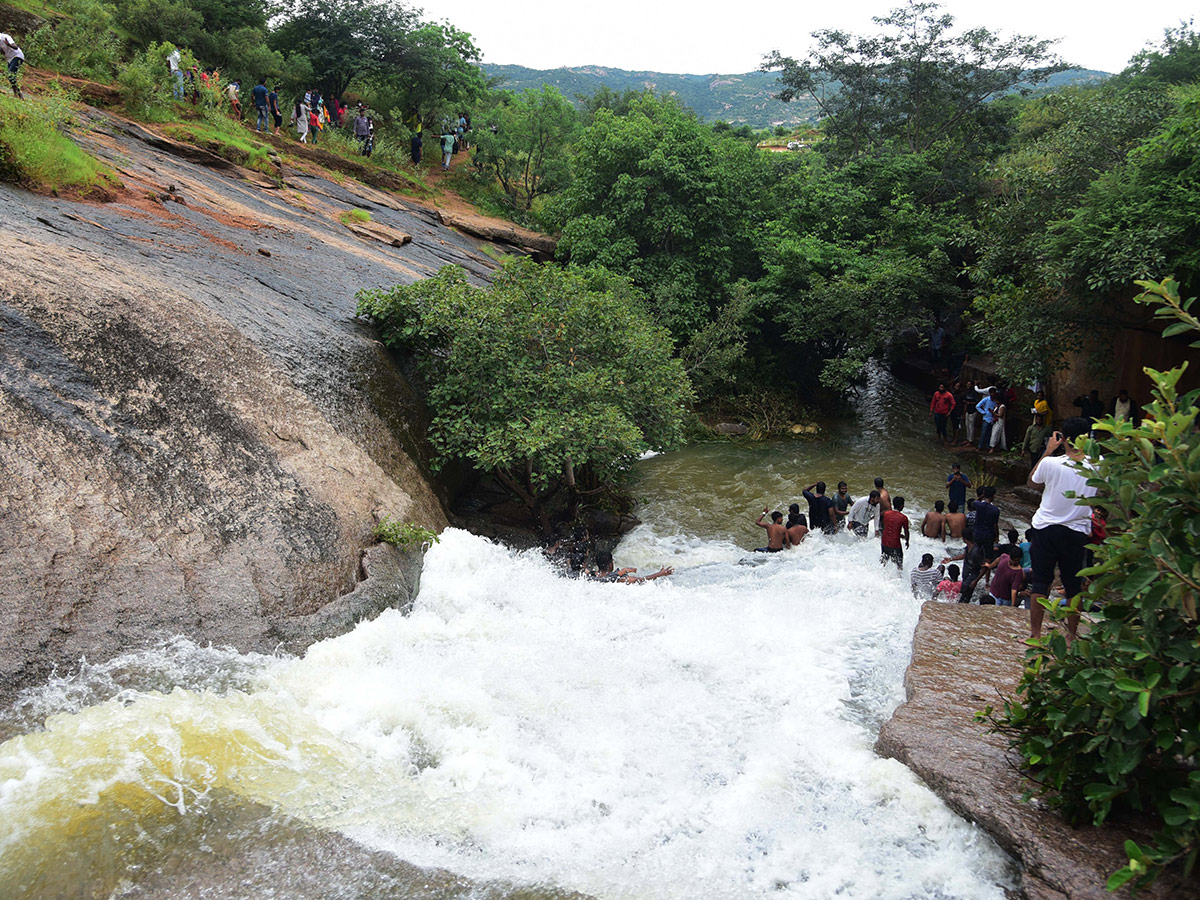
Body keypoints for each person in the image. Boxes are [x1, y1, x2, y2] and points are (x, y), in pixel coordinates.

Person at [1027, 417, 1098, 643]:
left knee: (1040, 581)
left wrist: (1048, 451)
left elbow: (1032, 482)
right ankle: (1070, 635)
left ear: (1063, 439)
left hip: (1046, 527)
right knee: (1073, 585)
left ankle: (1036, 634)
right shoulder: (1098, 465)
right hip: (1077, 531)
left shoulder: (1051, 463)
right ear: (1088, 438)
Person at [592, 549, 673, 584]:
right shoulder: (619, 580)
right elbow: (641, 580)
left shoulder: (591, 575)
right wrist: (660, 574)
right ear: (610, 564)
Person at [879, 497, 910, 570]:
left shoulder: (886, 513)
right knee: (899, 564)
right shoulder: (904, 518)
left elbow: (882, 521)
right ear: (901, 506)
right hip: (895, 544)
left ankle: (879, 575)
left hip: (884, 541)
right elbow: (906, 531)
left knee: (883, 561)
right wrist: (907, 541)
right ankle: (899, 578)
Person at [972, 485, 1000, 558]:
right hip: (988, 535)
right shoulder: (995, 510)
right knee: (988, 556)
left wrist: (982, 495)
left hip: (977, 533)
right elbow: (995, 525)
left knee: (975, 552)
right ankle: (986, 568)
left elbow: (974, 501)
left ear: (984, 494)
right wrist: (997, 536)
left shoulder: (978, 505)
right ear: (993, 496)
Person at [1, 31, 24, 99]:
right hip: (10, 59)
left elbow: (15, 47)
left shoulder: (5, 37)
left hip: (17, 56)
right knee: (11, 77)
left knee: (10, 75)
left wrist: (8, 45)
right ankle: (18, 94)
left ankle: (18, 94)